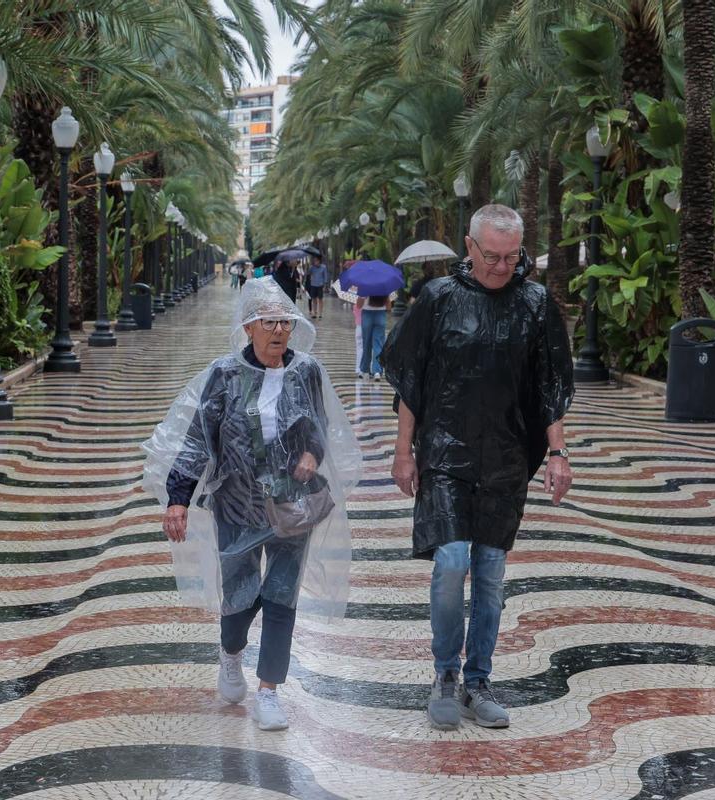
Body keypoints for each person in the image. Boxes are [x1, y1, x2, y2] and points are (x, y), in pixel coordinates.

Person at [380, 204, 575, 732]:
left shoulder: (535, 304)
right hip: (444, 451)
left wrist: (557, 453)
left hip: (507, 457)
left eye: (512, 257)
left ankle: (478, 681)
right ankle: (444, 674)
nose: (501, 267)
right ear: (470, 247)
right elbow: (410, 381)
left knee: (489, 575)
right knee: (450, 562)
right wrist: (404, 451)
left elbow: (548, 388)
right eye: (492, 256)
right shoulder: (440, 299)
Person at [142, 277, 361, 732]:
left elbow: (319, 428)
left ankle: (269, 691)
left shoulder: (308, 371)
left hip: (292, 505)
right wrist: (177, 500)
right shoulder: (223, 375)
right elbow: (198, 440)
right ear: (248, 327)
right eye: (269, 322)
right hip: (236, 506)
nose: (280, 331)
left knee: (282, 594)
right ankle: (230, 652)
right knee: (239, 597)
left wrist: (311, 455)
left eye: (285, 321)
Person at [356, 293, 391, 380]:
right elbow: (389, 307)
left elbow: (358, 305)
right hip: (381, 315)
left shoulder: (365, 285)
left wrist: (363, 296)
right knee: (378, 344)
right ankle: (377, 372)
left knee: (366, 343)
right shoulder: (384, 286)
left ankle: (365, 370)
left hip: (367, 314)